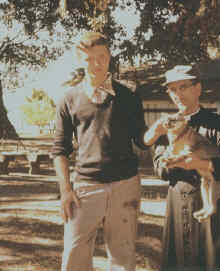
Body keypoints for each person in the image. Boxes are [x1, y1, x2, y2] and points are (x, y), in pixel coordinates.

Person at [52, 31, 150, 271]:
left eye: (102, 57)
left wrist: (157, 133)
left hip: (125, 184)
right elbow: (59, 150)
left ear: (109, 56)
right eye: (89, 59)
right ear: (79, 60)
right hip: (85, 186)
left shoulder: (128, 95)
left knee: (122, 254)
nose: (96, 64)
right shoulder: (68, 99)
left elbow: (141, 140)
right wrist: (66, 191)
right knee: (74, 253)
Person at [144, 65, 220, 270]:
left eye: (183, 87)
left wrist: (201, 164)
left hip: (213, 204)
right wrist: (173, 161)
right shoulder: (167, 125)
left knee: (215, 263)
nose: (178, 94)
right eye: (173, 89)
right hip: (178, 203)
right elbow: (160, 169)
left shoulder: (217, 123)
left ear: (197, 88)